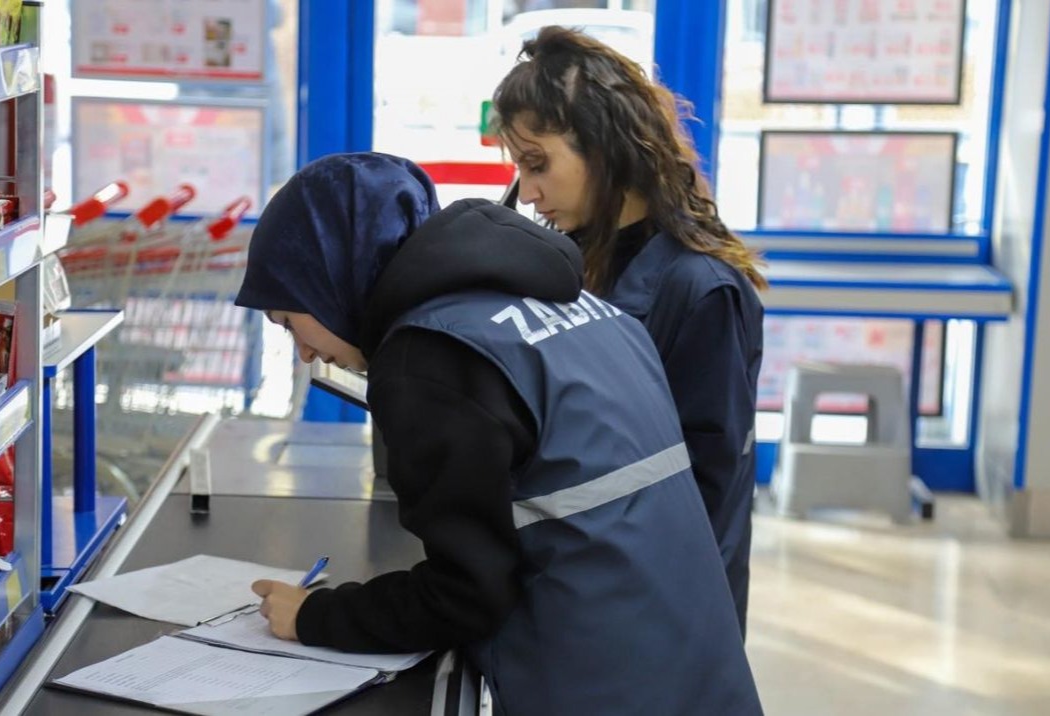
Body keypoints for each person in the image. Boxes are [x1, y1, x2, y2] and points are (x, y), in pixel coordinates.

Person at [238, 153, 761, 715]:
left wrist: (314, 617)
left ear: (329, 273)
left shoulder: (428, 356)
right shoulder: (569, 302)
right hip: (696, 661)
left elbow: (466, 593)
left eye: (291, 321)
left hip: (599, 682)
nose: (306, 352)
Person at [492, 26, 767, 636]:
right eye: (519, 167)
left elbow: (704, 503)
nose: (529, 192)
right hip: (580, 593)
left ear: (606, 147)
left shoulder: (701, 291)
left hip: (654, 617)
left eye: (538, 164)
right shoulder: (572, 261)